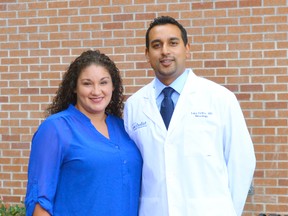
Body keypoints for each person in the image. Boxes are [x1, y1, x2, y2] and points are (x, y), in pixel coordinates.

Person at [124, 16, 256, 216]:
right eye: (156, 45)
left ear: (187, 48)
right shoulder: (134, 106)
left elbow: (241, 162)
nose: (165, 51)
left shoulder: (220, 98)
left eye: (173, 43)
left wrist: (228, 210)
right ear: (147, 54)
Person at [25, 50, 142, 216]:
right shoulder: (55, 128)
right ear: (74, 87)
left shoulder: (124, 128)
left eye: (103, 83)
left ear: (113, 86)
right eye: (87, 83)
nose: (96, 91)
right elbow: (39, 201)